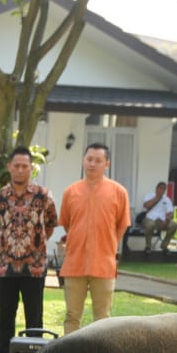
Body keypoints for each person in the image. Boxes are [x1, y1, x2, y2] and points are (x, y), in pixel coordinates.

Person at [0, 147, 58, 353]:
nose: (20, 170)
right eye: (16, 165)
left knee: (34, 313)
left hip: (34, 267)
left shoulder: (43, 195)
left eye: (24, 166)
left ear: (31, 168)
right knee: (5, 312)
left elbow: (51, 223)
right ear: (9, 167)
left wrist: (34, 244)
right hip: (5, 267)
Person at [58, 143, 130, 335]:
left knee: (103, 319)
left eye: (98, 160)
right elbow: (67, 224)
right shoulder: (70, 192)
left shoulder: (119, 192)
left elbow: (122, 224)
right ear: (83, 160)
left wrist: (109, 244)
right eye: (89, 159)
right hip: (74, 264)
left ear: (107, 164)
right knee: (72, 316)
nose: (92, 164)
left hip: (103, 265)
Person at [138, 181, 176, 248]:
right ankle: (148, 246)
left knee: (174, 225)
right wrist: (157, 198)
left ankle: (164, 245)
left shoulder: (167, 199)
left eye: (164, 189)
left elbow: (170, 212)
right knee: (150, 225)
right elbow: (147, 206)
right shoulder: (149, 196)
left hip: (162, 220)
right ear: (156, 188)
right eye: (160, 188)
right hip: (150, 218)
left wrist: (167, 220)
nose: (162, 190)